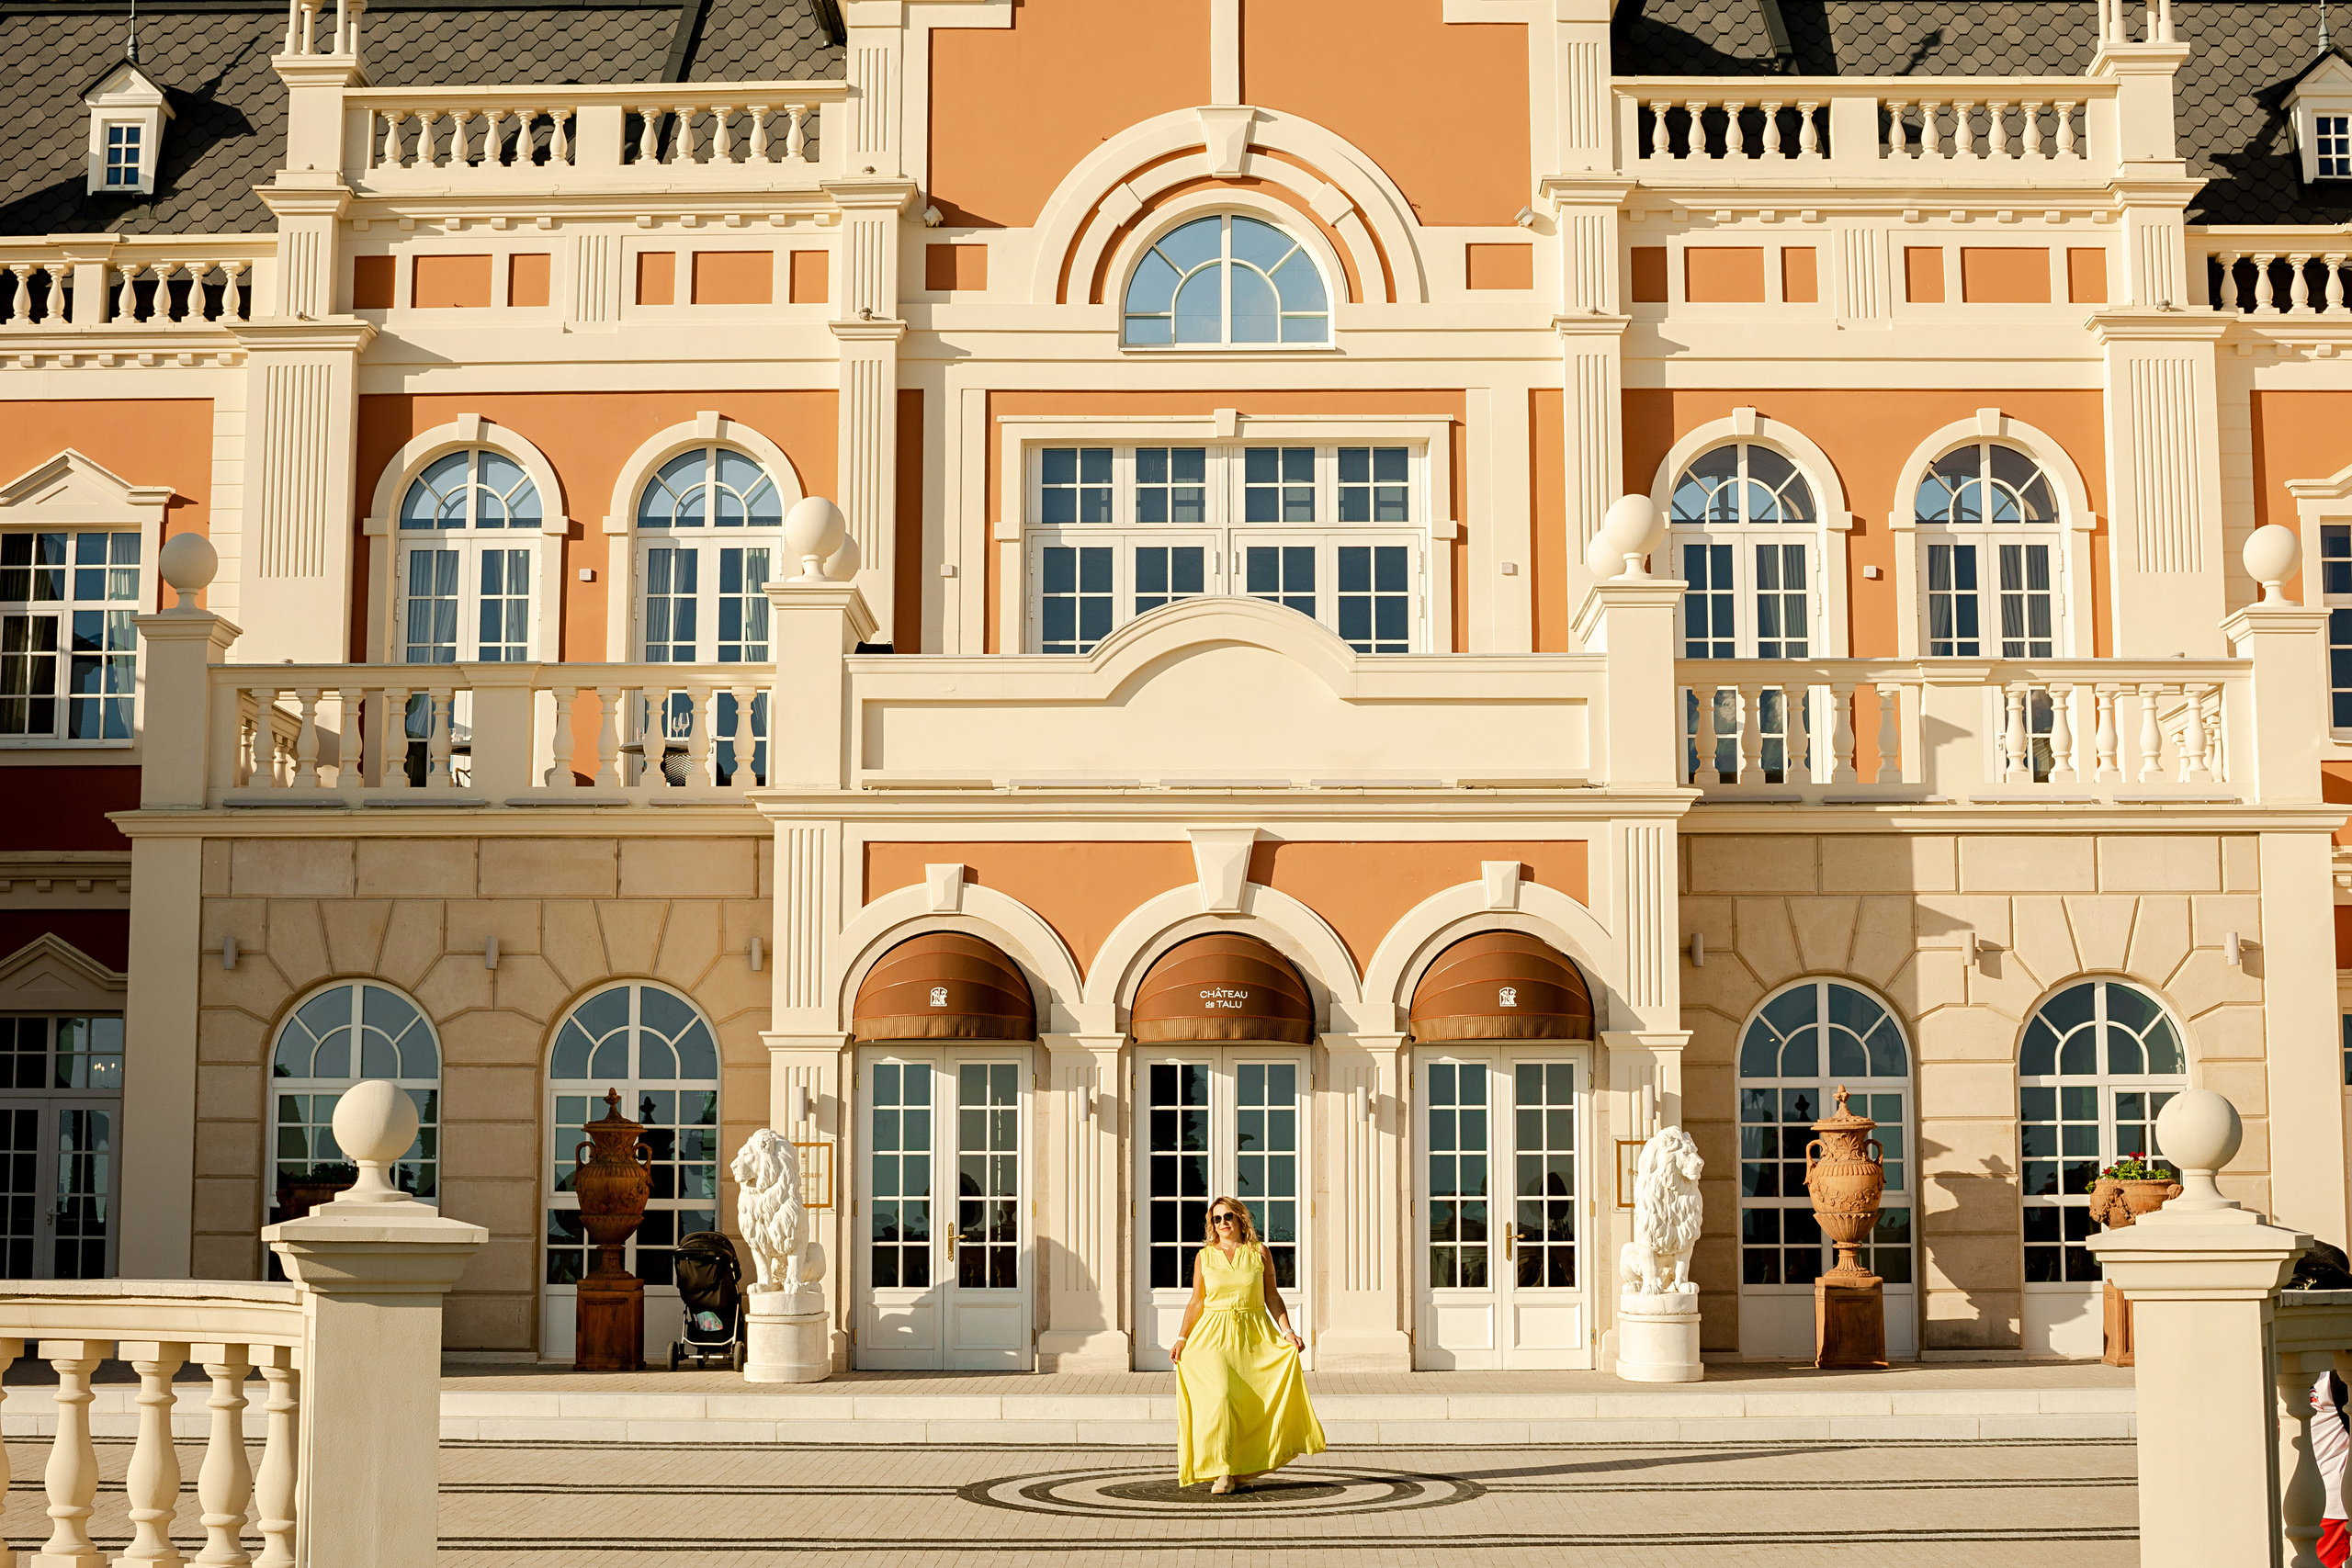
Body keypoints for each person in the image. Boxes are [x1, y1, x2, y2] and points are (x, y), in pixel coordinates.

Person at [1170, 1196, 1326, 1495]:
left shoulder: (1259, 1253)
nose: (1223, 1223)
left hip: (1253, 1335)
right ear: (1211, 1224)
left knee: (1249, 1404)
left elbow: (1272, 1296)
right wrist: (1181, 1338)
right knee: (1222, 1396)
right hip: (1213, 1336)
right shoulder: (1205, 1256)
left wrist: (1288, 1331)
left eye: (1228, 1216)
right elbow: (1197, 1301)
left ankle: (1241, 1469)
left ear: (1240, 1218)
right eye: (1217, 1219)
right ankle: (1223, 1470)